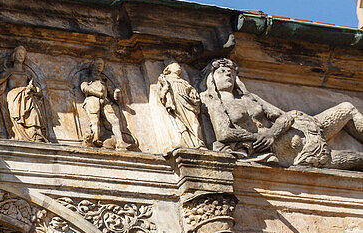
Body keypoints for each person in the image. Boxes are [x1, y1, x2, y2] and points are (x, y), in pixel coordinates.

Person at [201, 58, 363, 170]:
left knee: (347, 108)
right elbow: (224, 133)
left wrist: (272, 133)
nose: (228, 74)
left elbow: (283, 116)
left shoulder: (250, 98)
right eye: (221, 71)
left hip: (305, 129)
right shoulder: (214, 102)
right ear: (212, 78)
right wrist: (257, 138)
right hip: (293, 153)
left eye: (231, 72)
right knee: (359, 159)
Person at [0, 46, 47, 141]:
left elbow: (38, 90)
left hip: (28, 96)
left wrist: (33, 89)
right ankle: (19, 134)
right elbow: (0, 88)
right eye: (19, 53)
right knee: (17, 117)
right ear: (14, 55)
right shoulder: (8, 72)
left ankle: (34, 134)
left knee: (33, 112)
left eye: (23, 54)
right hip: (14, 97)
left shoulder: (28, 73)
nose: (21, 56)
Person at [80, 59, 133, 150]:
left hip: (105, 101)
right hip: (92, 100)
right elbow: (85, 88)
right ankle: (95, 139)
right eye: (98, 63)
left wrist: (117, 94)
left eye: (102, 64)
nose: (100, 66)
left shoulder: (104, 80)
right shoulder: (86, 77)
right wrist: (98, 94)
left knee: (115, 120)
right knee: (95, 119)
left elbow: (114, 97)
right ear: (93, 65)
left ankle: (120, 142)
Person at [150, 62, 204, 151]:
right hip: (175, 103)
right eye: (175, 66)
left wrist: (193, 93)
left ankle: (198, 142)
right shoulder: (165, 79)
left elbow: (191, 91)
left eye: (179, 66)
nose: (178, 67)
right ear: (169, 68)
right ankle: (185, 141)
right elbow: (160, 95)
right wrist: (165, 87)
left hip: (187, 103)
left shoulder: (184, 81)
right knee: (179, 123)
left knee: (195, 123)